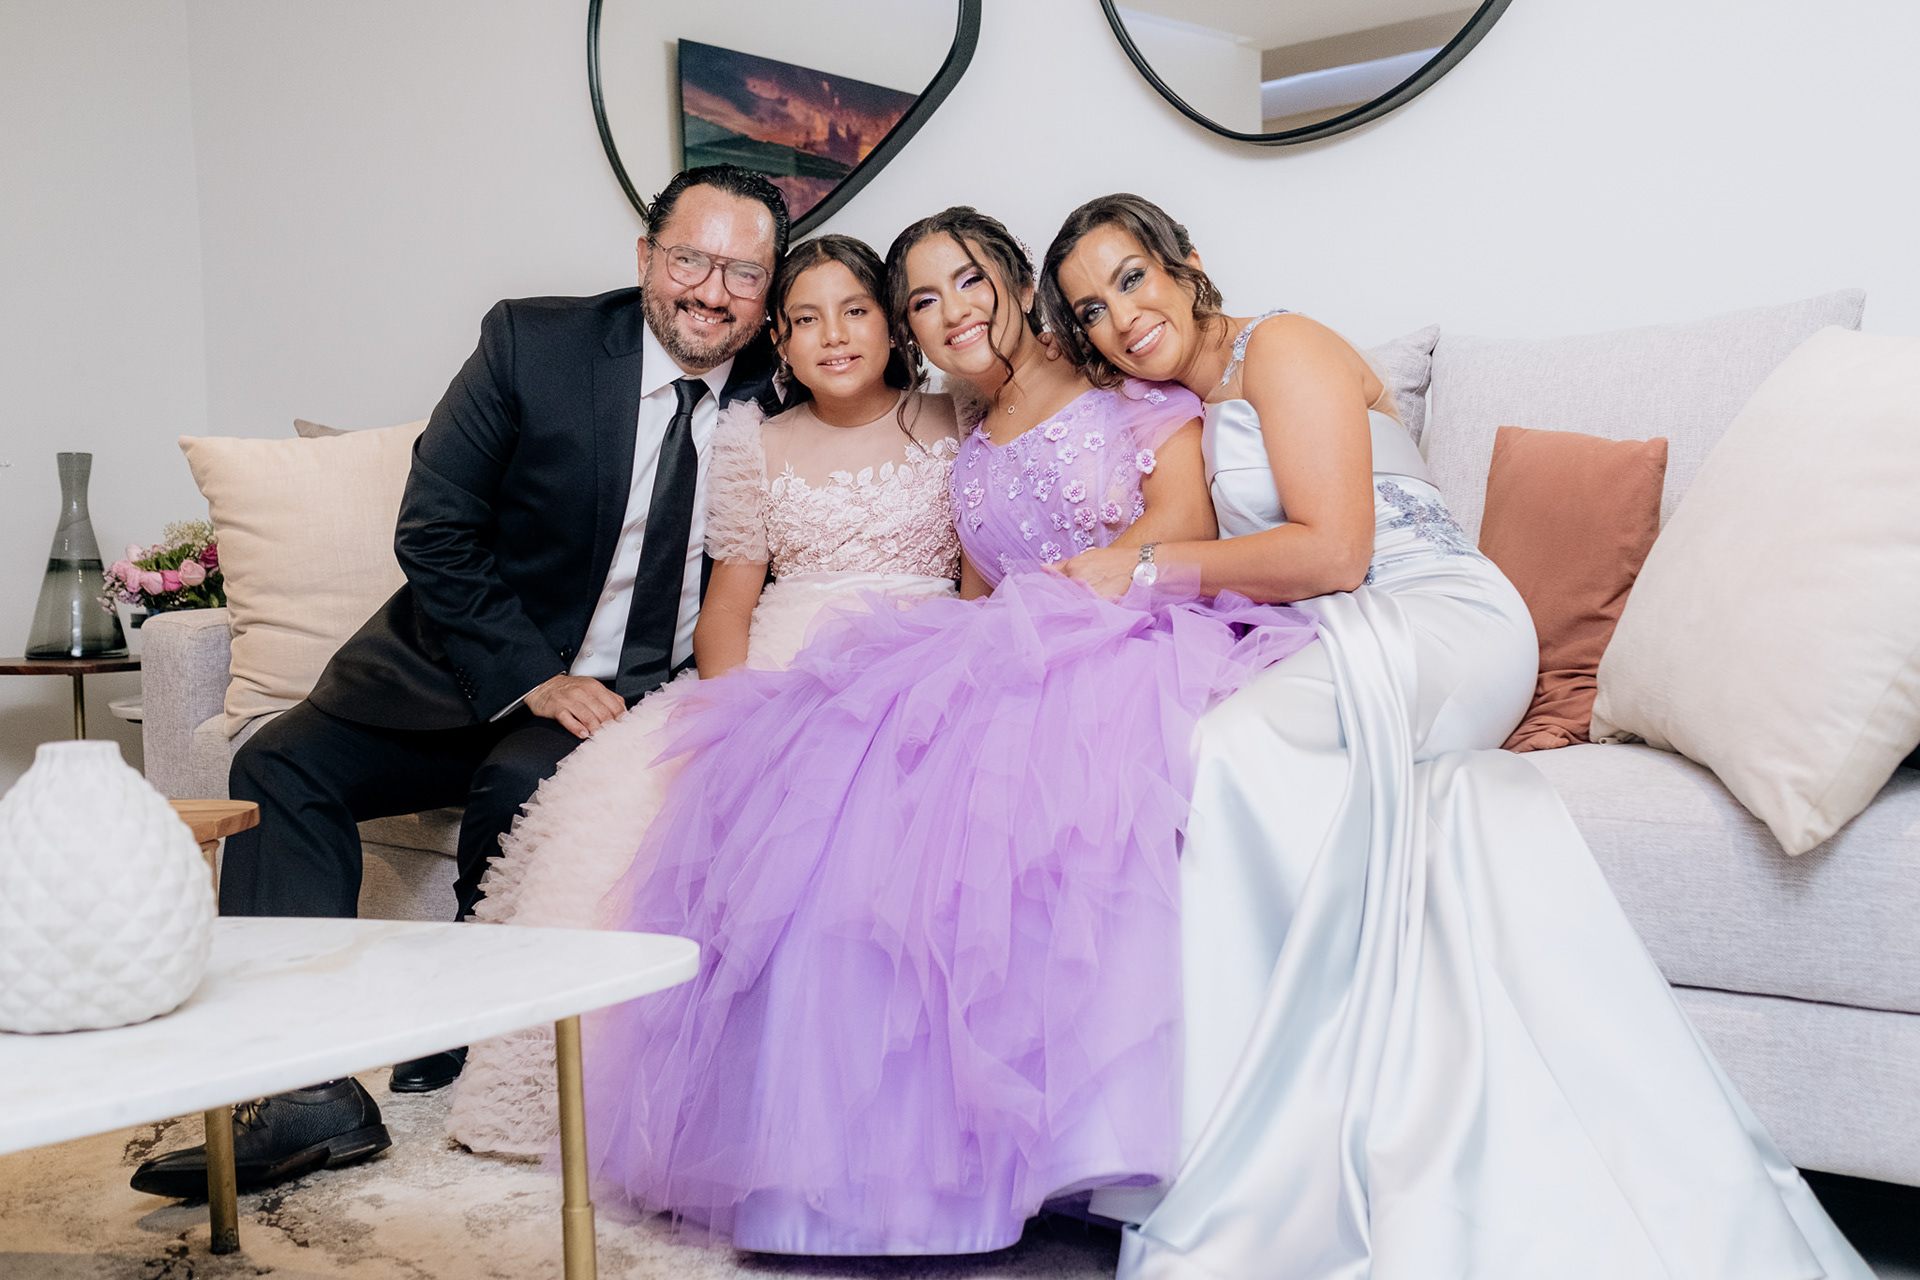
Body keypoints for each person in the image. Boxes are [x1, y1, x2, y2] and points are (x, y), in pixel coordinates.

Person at [1040, 193, 1872, 1280]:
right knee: (1157, 753)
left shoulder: (1281, 345)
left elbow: (1336, 552)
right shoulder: (1179, 417)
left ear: (1186, 262)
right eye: (1091, 309)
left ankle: (1247, 1152)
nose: (1120, 317)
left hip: (1439, 614)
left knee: (1233, 751)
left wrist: (1147, 570)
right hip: (1328, 631)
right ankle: (1266, 1116)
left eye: (1132, 278)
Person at [572, 208, 1318, 1255]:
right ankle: (867, 1165)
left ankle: (1089, 1142)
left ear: (1019, 282)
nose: (952, 311)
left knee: (1021, 794)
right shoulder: (966, 440)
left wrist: (1058, 613)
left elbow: (1185, 528)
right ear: (909, 330)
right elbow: (976, 592)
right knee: (863, 796)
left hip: (1141, 633)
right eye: (923, 298)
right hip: (1011, 647)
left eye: (969, 280)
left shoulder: (1117, 382)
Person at [129, 164, 791, 1201]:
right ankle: (303, 1088)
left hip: (623, 698)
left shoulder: (788, 386)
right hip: (466, 666)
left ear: (770, 289)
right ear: (644, 258)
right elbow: (435, 525)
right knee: (277, 765)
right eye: (689, 260)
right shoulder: (535, 343)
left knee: (522, 784)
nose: (711, 292)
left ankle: (467, 1031)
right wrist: (533, 677)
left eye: (743, 273)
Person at [445, 232, 963, 1155]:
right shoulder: (754, 440)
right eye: (805, 319)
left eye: (855, 311)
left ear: (893, 324)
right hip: (782, 661)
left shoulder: (955, 417)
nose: (834, 336)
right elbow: (727, 607)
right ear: (779, 341)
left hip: (922, 658)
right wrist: (740, 713)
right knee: (620, 815)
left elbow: (982, 575)